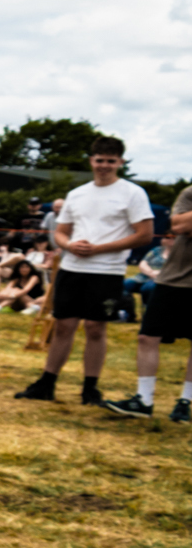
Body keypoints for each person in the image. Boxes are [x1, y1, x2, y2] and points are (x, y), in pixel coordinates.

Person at [14, 138, 152, 407]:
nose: (104, 166)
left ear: (120, 163)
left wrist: (100, 248)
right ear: (91, 160)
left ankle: (90, 389)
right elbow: (61, 232)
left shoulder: (132, 193)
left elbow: (144, 235)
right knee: (64, 325)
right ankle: (47, 383)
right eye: (99, 160)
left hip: (107, 271)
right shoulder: (77, 194)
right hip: (72, 268)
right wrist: (69, 245)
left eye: (111, 161)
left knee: (95, 328)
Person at [102, 178, 192, 421]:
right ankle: (144, 400)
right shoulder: (188, 193)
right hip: (173, 279)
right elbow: (178, 225)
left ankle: (186, 403)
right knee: (147, 336)